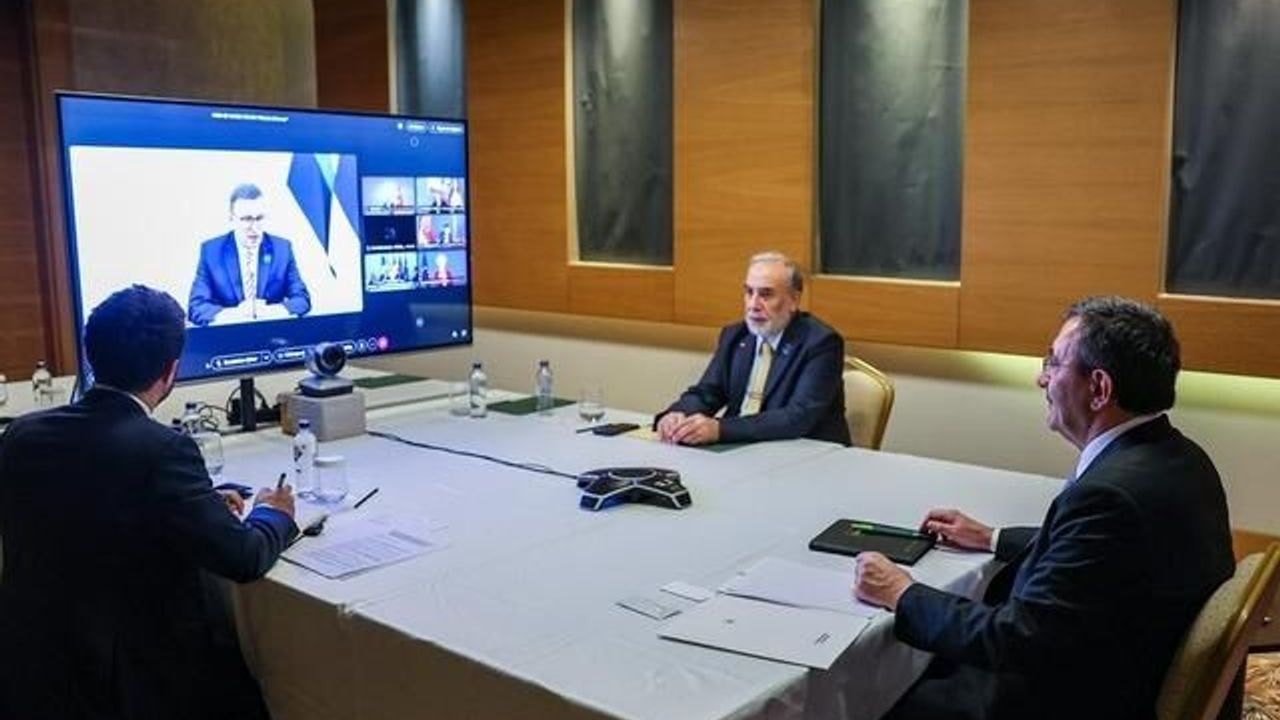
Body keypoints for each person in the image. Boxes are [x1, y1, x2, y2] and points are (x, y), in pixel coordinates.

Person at [853, 296, 1234, 720]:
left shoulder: (1107, 497)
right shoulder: (1181, 458)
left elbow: (1017, 640)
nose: (1041, 378)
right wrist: (991, 537)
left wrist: (901, 593)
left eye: (1053, 363)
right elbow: (1102, 561)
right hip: (1127, 661)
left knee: (869, 691)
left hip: (1073, 699)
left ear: (1099, 389)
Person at [0, 285, 298, 719]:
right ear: (170, 370)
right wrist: (274, 512)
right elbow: (243, 557)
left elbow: (87, 507)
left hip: (33, 677)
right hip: (130, 687)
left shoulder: (22, 435)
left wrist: (193, 506)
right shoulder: (163, 450)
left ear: (91, 356)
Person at [654, 252, 849, 446]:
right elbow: (708, 392)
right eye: (749, 292)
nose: (754, 305)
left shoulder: (821, 343)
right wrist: (677, 415)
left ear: (794, 300)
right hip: (740, 447)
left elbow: (797, 417)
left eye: (766, 294)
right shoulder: (735, 336)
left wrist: (720, 429)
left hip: (803, 451)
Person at [188, 183, 311, 326]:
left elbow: (302, 300)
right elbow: (196, 307)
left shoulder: (282, 249)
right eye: (247, 219)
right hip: (228, 335)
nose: (254, 227)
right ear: (231, 218)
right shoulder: (211, 252)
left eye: (259, 218)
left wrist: (272, 311)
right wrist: (234, 314)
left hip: (272, 333)